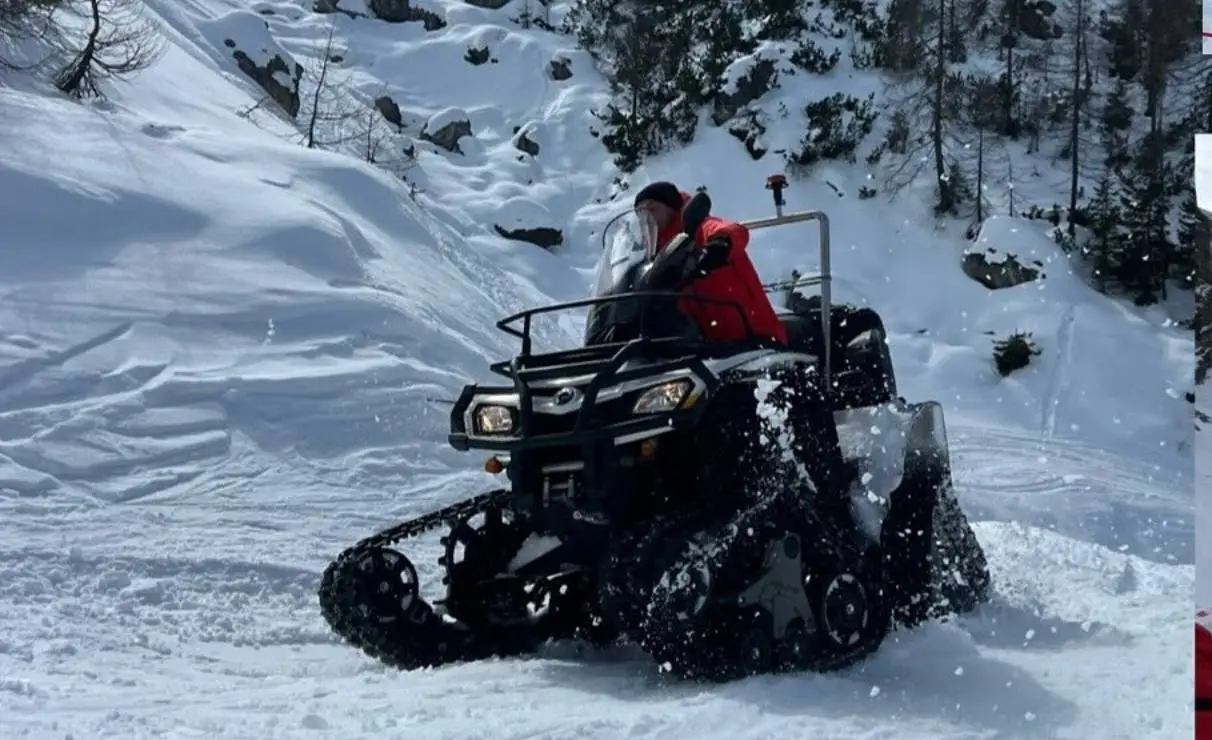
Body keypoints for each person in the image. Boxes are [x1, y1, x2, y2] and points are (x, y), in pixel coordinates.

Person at [631, 181, 787, 345]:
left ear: (671, 209)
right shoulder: (657, 256)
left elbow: (733, 230)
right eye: (641, 215)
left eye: (653, 209)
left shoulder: (698, 228)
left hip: (754, 335)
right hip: (710, 345)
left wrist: (720, 244)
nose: (648, 219)